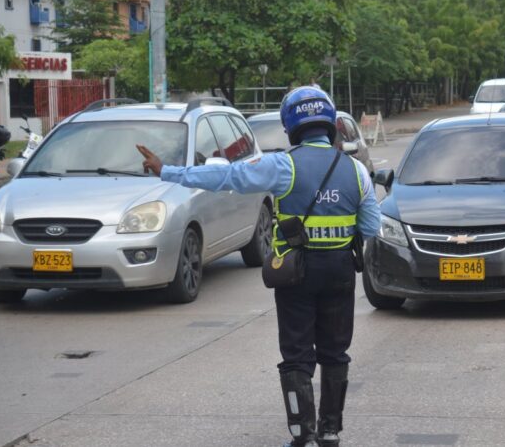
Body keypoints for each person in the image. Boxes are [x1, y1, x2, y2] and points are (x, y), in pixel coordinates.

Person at [137, 86, 381, 447]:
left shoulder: (282, 166)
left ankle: (302, 434)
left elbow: (227, 178)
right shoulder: (357, 170)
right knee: (335, 352)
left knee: (297, 354)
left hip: (295, 273)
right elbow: (371, 227)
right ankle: (331, 432)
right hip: (340, 272)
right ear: (329, 124)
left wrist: (167, 171)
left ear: (291, 126)